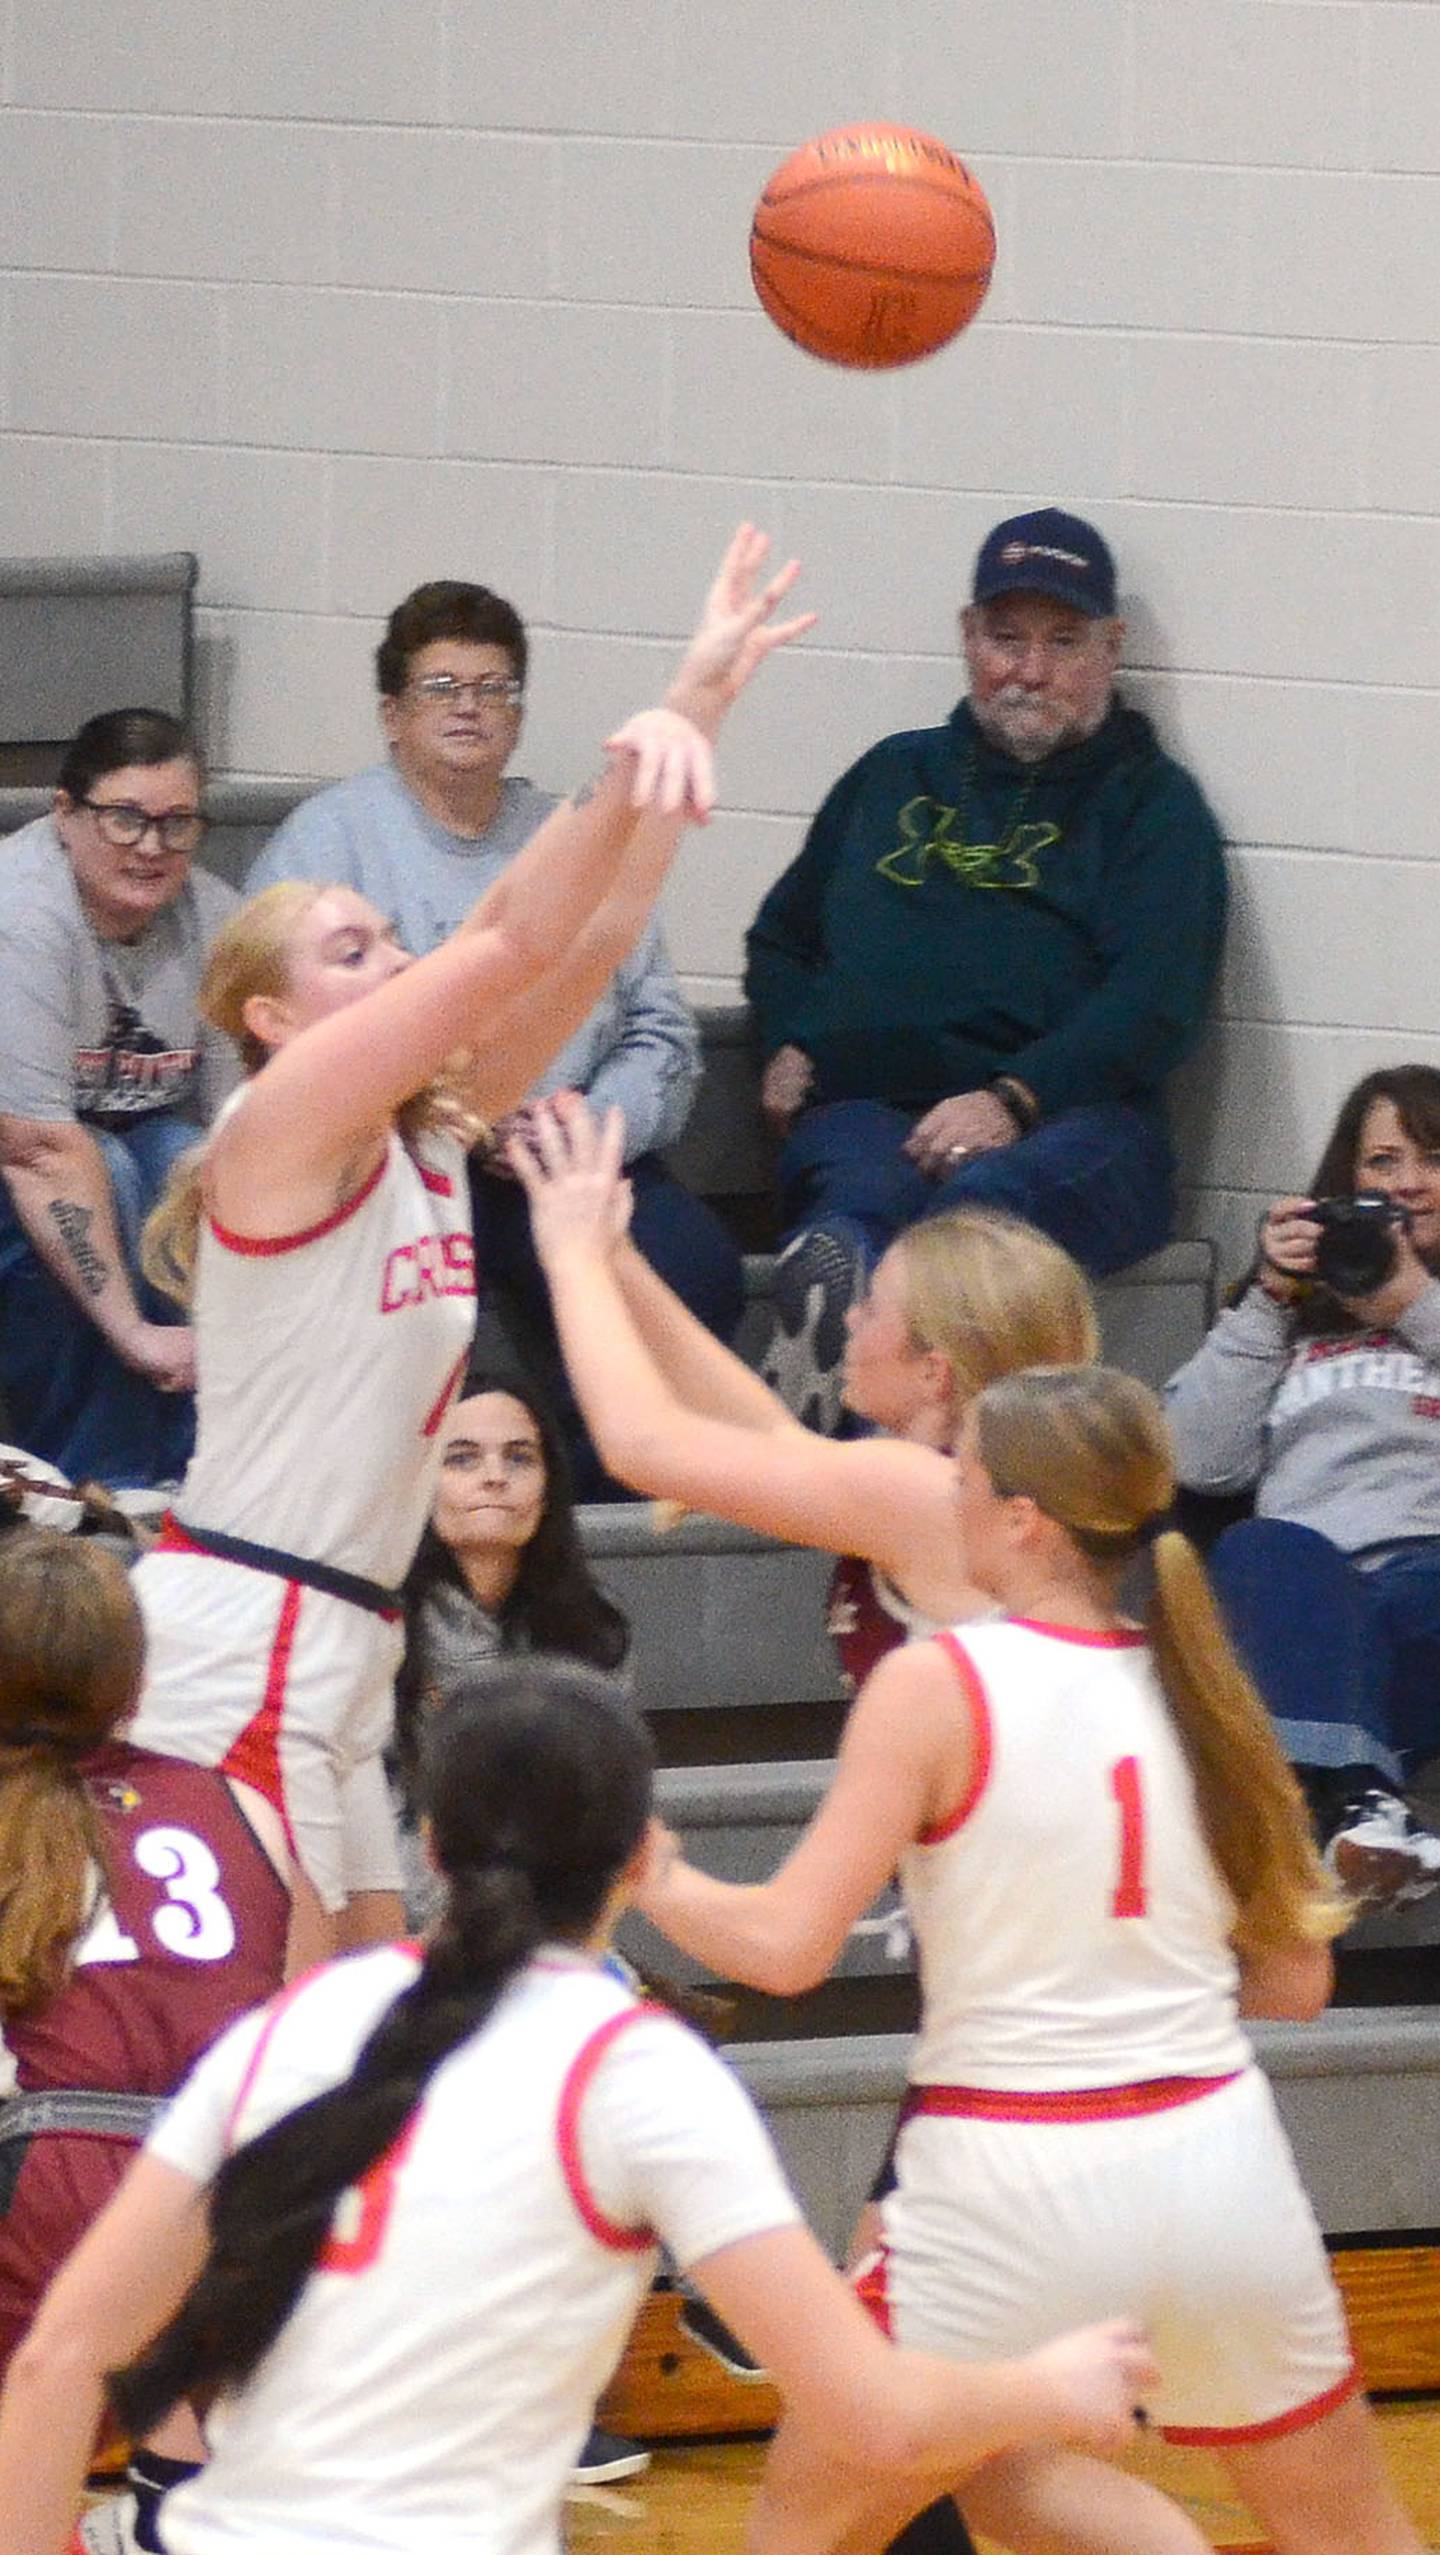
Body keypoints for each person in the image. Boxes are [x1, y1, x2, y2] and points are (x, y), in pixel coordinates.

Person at [0, 1656, 1159, 2555]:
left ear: (434, 1849)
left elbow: (60, 2362)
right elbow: (873, 2417)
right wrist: (1049, 2383)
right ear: (642, 1851)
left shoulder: (294, 2023)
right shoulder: (638, 2071)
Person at [126, 526, 812, 1974]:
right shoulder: (273, 1127)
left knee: (391, 2041)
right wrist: (623, 763)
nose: (394, 959)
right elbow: (503, 937)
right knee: (279, 2060)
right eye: (357, 948)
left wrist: (691, 714)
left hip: (354, 1634)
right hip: (244, 1630)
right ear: (274, 1012)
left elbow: (592, 930)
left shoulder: (427, 1133)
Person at [631, 1364, 1429, 2555]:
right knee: (1348, 2531)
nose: (943, 1493)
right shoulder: (1208, 1687)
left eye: (966, 1475)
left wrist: (647, 1867)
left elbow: (785, 1950)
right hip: (1218, 2166)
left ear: (1024, 1517)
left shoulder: (937, 1681)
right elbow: (1292, 1984)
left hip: (1006, 2176)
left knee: (800, 2536)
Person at [249, 576, 744, 1497]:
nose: (471, 707)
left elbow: (661, 1029)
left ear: (519, 713)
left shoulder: (570, 835)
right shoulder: (328, 844)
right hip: (407, 1160)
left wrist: (592, 1127)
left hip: (572, 1147)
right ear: (392, 714)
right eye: (442, 688)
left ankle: (599, 1505)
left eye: (494, 687)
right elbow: (295, 1048)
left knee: (698, 1266)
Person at [744, 505, 1227, 1430]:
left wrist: (1013, 1099)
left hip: (1076, 1132)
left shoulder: (1153, 808)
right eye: (1007, 639)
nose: (1030, 671)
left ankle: (871, 1459)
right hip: (869, 1110)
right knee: (857, 1207)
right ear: (968, 639)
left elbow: (1154, 1006)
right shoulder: (892, 775)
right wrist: (789, 1033)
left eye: (1062, 641)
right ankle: (828, 1353)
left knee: (972, 1222)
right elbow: (782, 936)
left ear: (1111, 647)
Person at [512, 1098, 1098, 1696]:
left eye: (872, 1309)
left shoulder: (930, 1491)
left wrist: (570, 1258)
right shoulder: (963, 1480)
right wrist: (618, 1256)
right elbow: (772, 1437)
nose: (849, 1318)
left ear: (934, 1372)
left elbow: (639, 1446)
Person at [0, 1531, 290, 2553]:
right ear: (134, 1675)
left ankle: (159, 2496)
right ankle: (173, 2489)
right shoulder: (243, 1797)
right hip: (235, 2175)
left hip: (53, 2162)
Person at [1166, 1062, 1440, 1910]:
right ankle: (1365, 1806)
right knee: (1259, 1547)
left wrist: (1413, 1301)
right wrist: (1270, 1298)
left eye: (1432, 1159)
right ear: (1344, 1182)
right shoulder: (1288, 1321)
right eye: (1383, 1162)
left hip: (1427, 1581)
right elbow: (1196, 1460)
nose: (1408, 1184)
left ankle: (1335, 1804)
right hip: (1302, 1582)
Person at [0, 709, 236, 1488]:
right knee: (108, 1166)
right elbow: (37, 1151)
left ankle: (198, 1473)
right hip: (25, 1160)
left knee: (180, 1160)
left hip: (116, 1150)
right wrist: (135, 1334)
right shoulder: (24, 915)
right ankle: (102, 1484)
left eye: (176, 825)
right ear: (65, 814)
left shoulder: (217, 919)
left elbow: (235, 1133)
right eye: (124, 818)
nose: (150, 847)